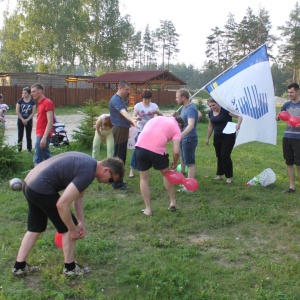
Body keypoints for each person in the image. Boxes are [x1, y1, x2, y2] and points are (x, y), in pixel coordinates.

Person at [12, 151, 125, 277]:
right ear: (106, 169)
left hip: (29, 185)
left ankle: (19, 267)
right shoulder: (87, 172)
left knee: (35, 228)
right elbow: (62, 204)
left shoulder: (88, 164)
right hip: (41, 187)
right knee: (67, 227)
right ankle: (70, 269)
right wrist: (72, 229)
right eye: (110, 180)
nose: (108, 183)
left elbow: (78, 198)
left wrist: (80, 222)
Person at [135, 116, 184, 216]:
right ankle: (172, 202)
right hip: (157, 152)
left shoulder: (157, 118)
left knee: (143, 179)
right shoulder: (176, 128)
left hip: (140, 147)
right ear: (179, 125)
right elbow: (176, 151)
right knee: (166, 174)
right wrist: (174, 163)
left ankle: (148, 209)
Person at [205, 98, 242, 184]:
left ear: (218, 104)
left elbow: (239, 115)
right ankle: (219, 175)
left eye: (213, 105)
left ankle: (229, 178)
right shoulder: (210, 113)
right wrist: (207, 138)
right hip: (217, 137)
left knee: (225, 156)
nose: (212, 107)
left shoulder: (226, 111)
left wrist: (238, 124)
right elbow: (211, 126)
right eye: (210, 106)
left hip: (228, 137)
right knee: (219, 156)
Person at [109, 80, 137, 190]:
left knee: (121, 156)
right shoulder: (116, 99)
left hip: (122, 129)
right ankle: (117, 183)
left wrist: (132, 120)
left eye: (129, 89)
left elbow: (124, 115)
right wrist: (132, 120)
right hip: (119, 130)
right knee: (119, 157)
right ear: (120, 88)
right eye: (126, 89)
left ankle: (118, 180)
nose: (128, 92)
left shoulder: (120, 99)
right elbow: (123, 113)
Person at [129, 90, 162, 178]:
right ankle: (132, 170)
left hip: (150, 131)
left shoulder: (154, 106)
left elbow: (161, 116)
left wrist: (157, 112)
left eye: (148, 99)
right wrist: (137, 118)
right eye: (145, 99)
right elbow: (133, 116)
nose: (147, 101)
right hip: (140, 130)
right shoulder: (138, 106)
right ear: (142, 98)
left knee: (149, 150)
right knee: (137, 150)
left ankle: (145, 169)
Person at [174, 89, 201, 192]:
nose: (176, 99)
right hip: (185, 138)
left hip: (189, 138)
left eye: (177, 97)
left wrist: (182, 135)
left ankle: (190, 186)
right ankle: (187, 183)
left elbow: (191, 124)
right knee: (185, 161)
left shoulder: (190, 108)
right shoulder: (184, 108)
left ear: (183, 97)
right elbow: (183, 122)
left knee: (190, 163)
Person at [277, 82, 300, 193]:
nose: (290, 94)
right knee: (289, 162)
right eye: (288, 92)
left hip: (299, 138)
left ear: (298, 91)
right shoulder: (286, 105)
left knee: (299, 164)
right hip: (287, 137)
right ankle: (292, 187)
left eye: (292, 92)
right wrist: (277, 116)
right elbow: (279, 117)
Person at [31, 83, 55, 166]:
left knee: (37, 159)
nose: (32, 93)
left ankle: (35, 177)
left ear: (40, 91)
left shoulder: (47, 102)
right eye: (31, 92)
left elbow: (50, 121)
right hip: (40, 134)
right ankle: (56, 171)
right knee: (47, 158)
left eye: (34, 91)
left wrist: (44, 138)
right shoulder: (40, 103)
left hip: (43, 135)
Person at [16, 87, 36, 153]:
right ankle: (19, 150)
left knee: (28, 136)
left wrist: (27, 120)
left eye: (25, 93)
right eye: (23, 93)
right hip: (20, 120)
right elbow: (17, 111)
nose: (24, 94)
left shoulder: (32, 102)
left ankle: (29, 150)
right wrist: (22, 119)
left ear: (29, 94)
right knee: (20, 135)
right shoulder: (20, 101)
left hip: (29, 120)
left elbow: (33, 112)